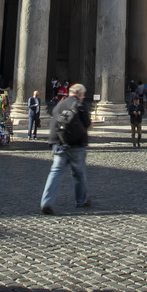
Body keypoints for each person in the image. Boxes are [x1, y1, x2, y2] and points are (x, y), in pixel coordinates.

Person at [40, 83, 92, 214]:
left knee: (55, 173)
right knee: (79, 174)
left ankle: (46, 202)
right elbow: (87, 124)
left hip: (60, 144)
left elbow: (54, 123)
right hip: (76, 145)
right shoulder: (80, 104)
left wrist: (52, 141)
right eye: (83, 95)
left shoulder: (60, 105)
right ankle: (81, 201)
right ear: (80, 94)